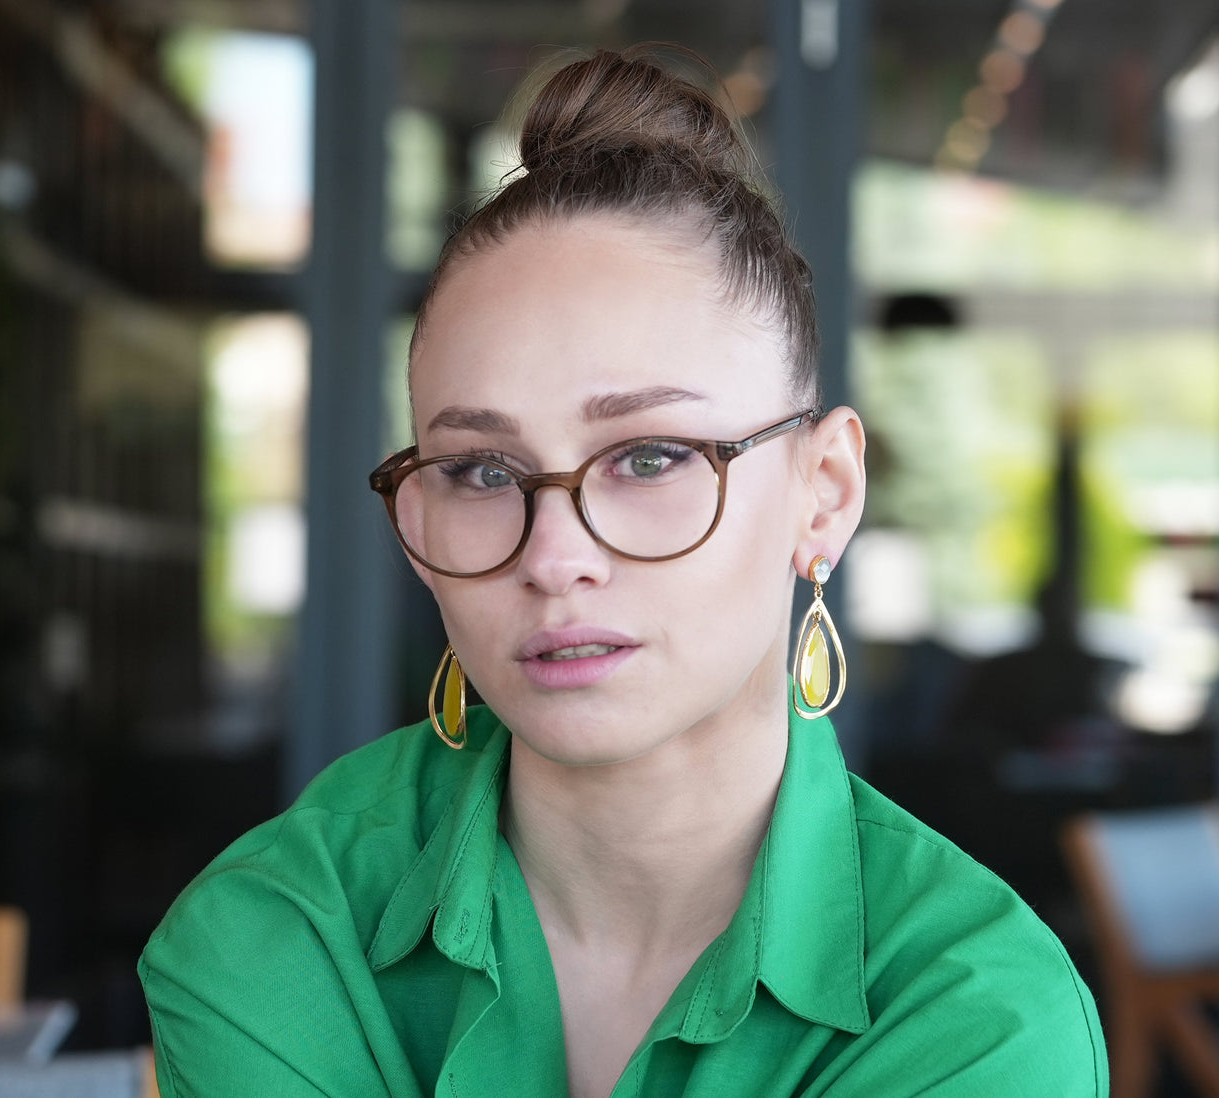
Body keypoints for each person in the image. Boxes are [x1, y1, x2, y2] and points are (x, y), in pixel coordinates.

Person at [139, 44, 1107, 1098]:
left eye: (650, 458)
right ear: (415, 520)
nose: (555, 557)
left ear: (821, 493)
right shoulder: (283, 929)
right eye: (480, 470)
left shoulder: (969, 1010)